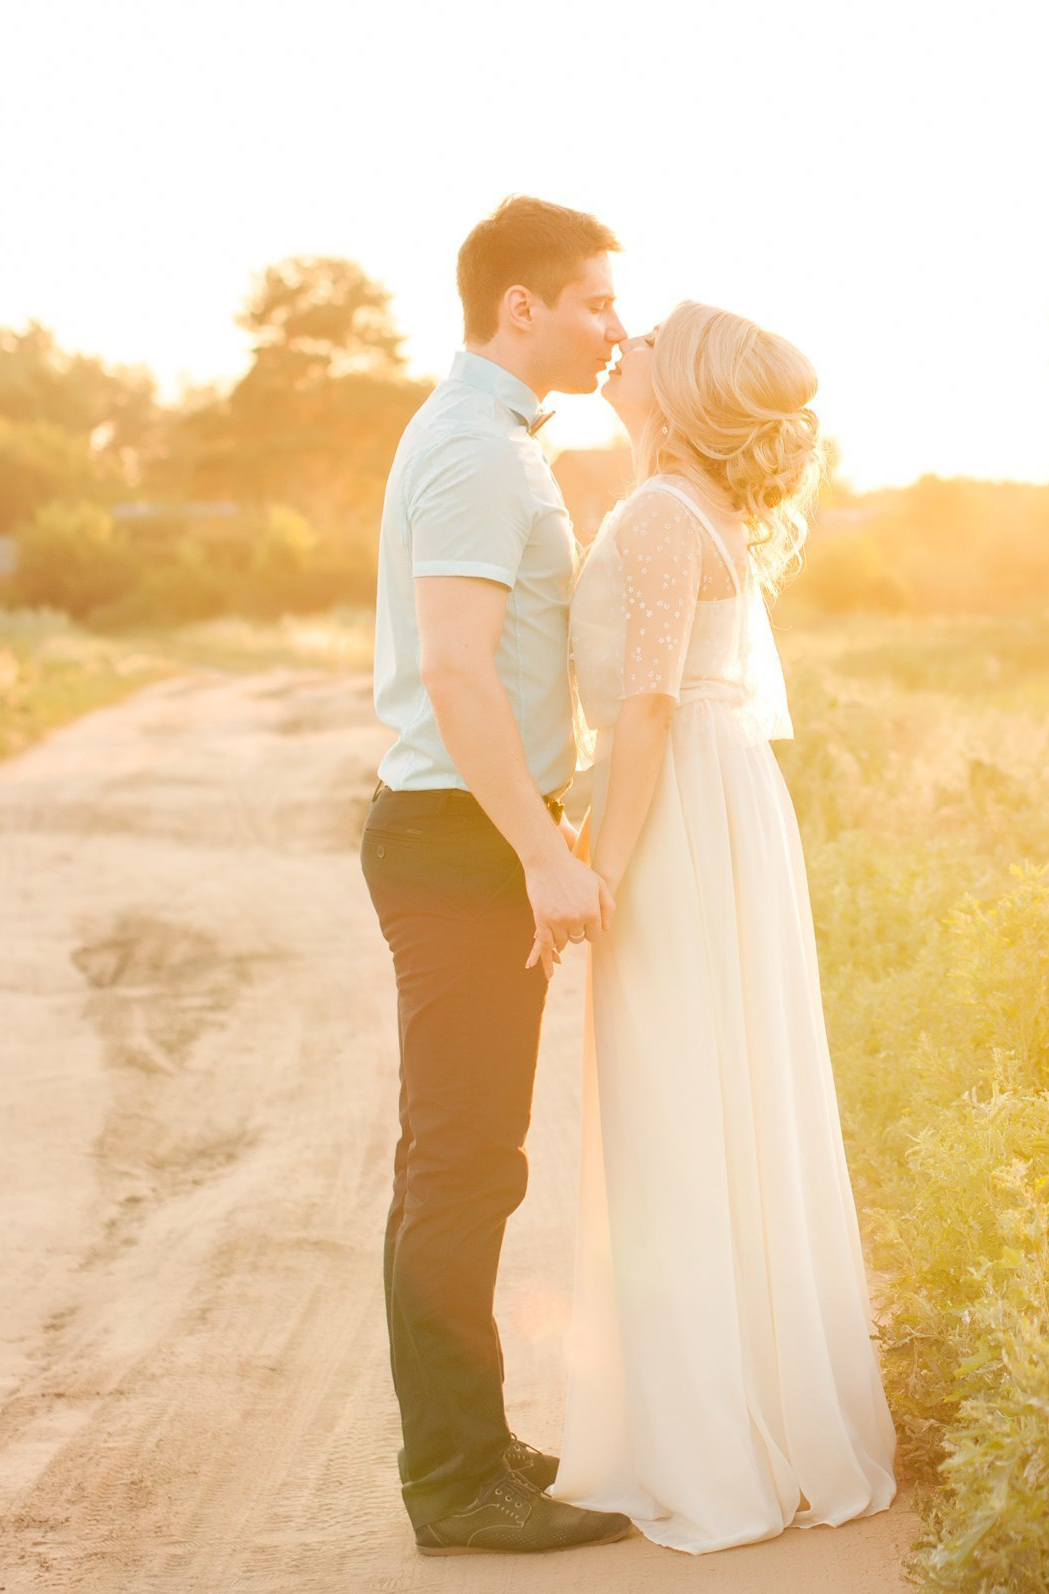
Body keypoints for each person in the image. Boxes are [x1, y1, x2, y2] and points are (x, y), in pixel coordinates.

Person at [546, 301, 898, 1551]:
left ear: (679, 390)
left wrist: (602, 873)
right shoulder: (700, 512)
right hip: (724, 798)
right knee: (724, 1096)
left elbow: (642, 712)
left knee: (677, 1105)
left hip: (679, 812)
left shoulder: (655, 514)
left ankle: (710, 1445)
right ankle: (743, 1412)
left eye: (644, 341)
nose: (621, 344)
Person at [359, 196, 636, 1556]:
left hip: (471, 832)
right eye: (592, 300)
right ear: (517, 307)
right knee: (463, 1166)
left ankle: (474, 1448)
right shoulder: (475, 447)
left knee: (470, 1162)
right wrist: (539, 849)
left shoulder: (492, 438)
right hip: (459, 842)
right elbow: (458, 671)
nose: (614, 325)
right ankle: (457, 1484)